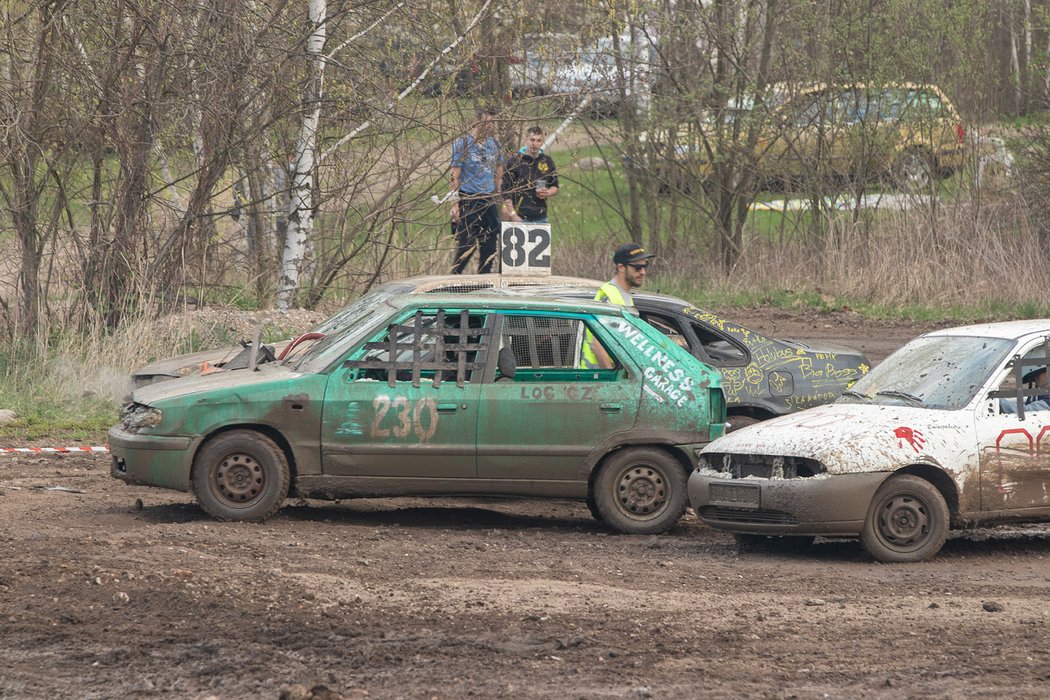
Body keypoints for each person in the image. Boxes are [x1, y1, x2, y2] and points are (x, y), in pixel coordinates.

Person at [581, 242, 656, 369]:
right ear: (621, 267)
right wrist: (613, 377)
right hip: (598, 379)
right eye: (637, 267)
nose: (643, 272)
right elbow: (597, 344)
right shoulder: (610, 295)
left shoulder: (625, 298)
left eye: (645, 266)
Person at [450, 107, 503, 274]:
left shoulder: (495, 145)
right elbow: (454, 175)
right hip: (468, 198)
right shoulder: (463, 144)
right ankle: (454, 278)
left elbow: (499, 173)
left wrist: (499, 197)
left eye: (492, 123)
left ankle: (483, 281)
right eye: (486, 122)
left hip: (487, 198)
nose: (490, 126)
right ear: (477, 121)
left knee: (490, 243)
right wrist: (455, 203)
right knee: (467, 243)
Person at [501, 126, 559, 224]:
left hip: (541, 217)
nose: (535, 144)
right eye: (532, 140)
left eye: (538, 140)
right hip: (519, 217)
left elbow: (555, 186)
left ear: (542, 142)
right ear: (526, 140)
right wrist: (513, 215)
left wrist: (548, 192)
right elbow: (506, 192)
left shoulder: (547, 161)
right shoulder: (514, 162)